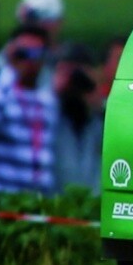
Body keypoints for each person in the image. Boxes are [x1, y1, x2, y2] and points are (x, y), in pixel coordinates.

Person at [0, 25, 59, 193]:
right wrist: (10, 68)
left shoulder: (48, 100)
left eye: (37, 53)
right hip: (2, 195)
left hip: (38, 197)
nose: (30, 60)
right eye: (23, 53)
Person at [51, 42, 103, 194]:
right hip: (54, 199)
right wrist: (56, 90)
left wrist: (93, 90)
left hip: (91, 197)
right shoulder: (47, 111)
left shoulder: (97, 117)